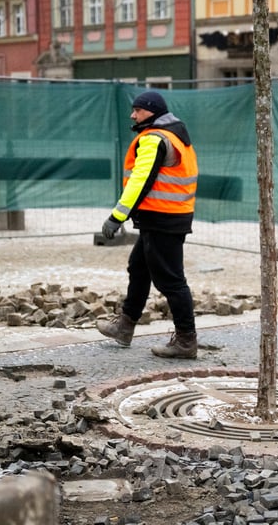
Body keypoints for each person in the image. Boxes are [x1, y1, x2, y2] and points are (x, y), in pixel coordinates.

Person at [97, 91, 199, 359]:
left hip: (162, 218)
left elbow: (140, 181)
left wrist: (117, 217)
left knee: (171, 281)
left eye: (138, 110)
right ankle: (125, 326)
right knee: (139, 268)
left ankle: (186, 341)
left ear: (152, 111)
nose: (133, 115)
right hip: (165, 217)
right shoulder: (173, 134)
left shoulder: (155, 138)